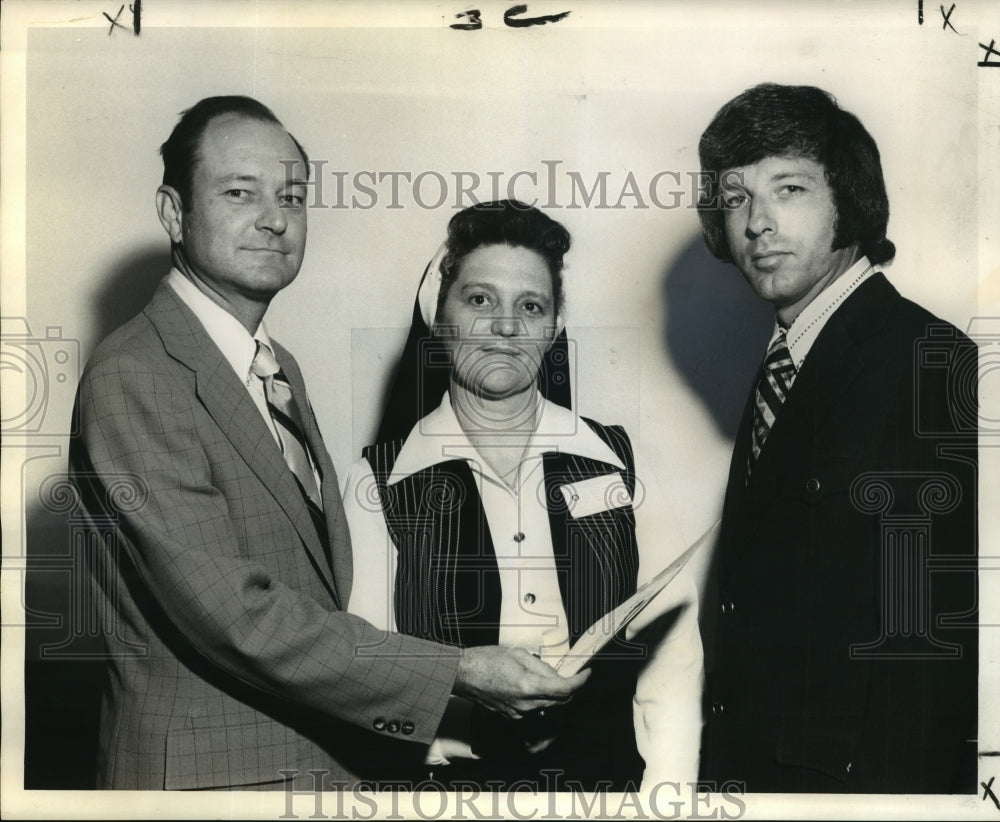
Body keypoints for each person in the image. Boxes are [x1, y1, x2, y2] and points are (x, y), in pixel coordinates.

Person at [68, 97, 588, 791]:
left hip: (309, 772)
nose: (274, 218)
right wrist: (457, 670)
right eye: (238, 192)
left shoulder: (275, 364)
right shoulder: (137, 373)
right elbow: (236, 616)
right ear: (173, 211)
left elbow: (318, 589)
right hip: (207, 787)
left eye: (291, 195)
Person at [342, 200, 704, 791]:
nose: (506, 327)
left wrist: (668, 796)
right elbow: (367, 672)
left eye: (529, 306)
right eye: (479, 300)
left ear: (554, 326)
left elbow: (674, 656)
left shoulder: (614, 461)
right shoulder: (376, 483)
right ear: (440, 315)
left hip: (604, 792)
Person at [694, 83, 978, 793]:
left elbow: (931, 646)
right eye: (736, 199)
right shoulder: (787, 362)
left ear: (847, 199)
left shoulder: (924, 358)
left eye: (788, 188)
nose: (758, 222)